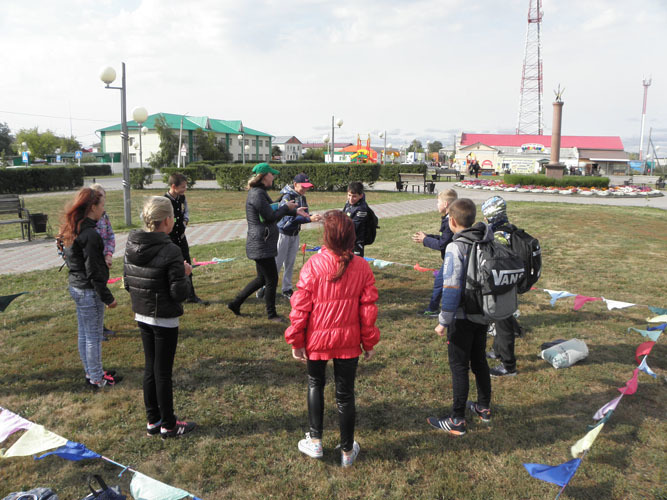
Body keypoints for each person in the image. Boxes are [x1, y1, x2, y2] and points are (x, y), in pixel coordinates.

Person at [285, 210, 380, 467]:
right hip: (346, 342)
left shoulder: (315, 265)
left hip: (318, 341)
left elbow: (299, 309)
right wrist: (368, 342)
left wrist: (298, 341)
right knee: (345, 394)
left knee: (316, 383)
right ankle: (346, 450)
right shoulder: (360, 266)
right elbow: (368, 310)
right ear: (351, 236)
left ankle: (317, 441)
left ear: (326, 236)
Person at [124, 196, 196, 438]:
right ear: (167, 220)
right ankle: (168, 425)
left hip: (142, 313)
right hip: (163, 317)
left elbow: (127, 282)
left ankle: (153, 420)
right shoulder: (170, 250)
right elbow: (179, 293)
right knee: (162, 372)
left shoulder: (132, 243)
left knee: (150, 368)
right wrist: (185, 274)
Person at [427, 198, 492, 436]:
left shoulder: (456, 247)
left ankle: (457, 419)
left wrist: (444, 321)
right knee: (480, 361)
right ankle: (484, 406)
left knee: (459, 366)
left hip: (463, 317)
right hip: (483, 312)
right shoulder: (485, 239)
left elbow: (451, 288)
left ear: (452, 221)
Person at [228, 163, 306, 321]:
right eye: (271, 174)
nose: (273, 177)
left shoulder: (259, 192)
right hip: (261, 243)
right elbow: (270, 216)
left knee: (261, 279)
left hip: (261, 241)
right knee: (271, 279)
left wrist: (291, 209)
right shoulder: (257, 194)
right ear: (263, 177)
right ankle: (271, 314)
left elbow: (270, 209)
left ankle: (235, 303)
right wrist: (286, 208)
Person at [60, 187, 119, 390]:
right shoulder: (90, 236)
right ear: (92, 207)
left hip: (77, 287)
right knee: (93, 336)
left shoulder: (73, 229)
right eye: (101, 205)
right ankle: (96, 379)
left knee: (85, 333)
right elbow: (94, 272)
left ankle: (92, 371)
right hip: (87, 290)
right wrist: (108, 298)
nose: (104, 209)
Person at [258, 173, 322, 300]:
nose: (305, 189)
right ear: (295, 184)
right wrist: (309, 219)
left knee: (290, 262)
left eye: (307, 186)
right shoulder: (287, 197)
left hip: (294, 234)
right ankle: (266, 287)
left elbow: (304, 214)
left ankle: (286, 288)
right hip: (282, 234)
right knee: (276, 263)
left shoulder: (302, 197)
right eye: (302, 186)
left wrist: (311, 216)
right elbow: (288, 219)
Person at [482, 196, 523, 378]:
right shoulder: (508, 229)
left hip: (502, 284)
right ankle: (498, 351)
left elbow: (495, 261)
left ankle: (508, 366)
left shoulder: (499, 236)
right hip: (508, 281)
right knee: (500, 320)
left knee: (504, 323)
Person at [412, 189, 457, 316]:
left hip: (453, 259)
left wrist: (425, 240)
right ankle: (434, 308)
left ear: (446, 204)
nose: (437, 205)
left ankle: (436, 309)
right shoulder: (448, 218)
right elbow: (444, 239)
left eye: (438, 202)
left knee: (444, 284)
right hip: (450, 258)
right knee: (441, 283)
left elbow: (442, 244)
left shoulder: (450, 221)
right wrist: (428, 236)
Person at [165, 173, 208, 305]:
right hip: (170, 240)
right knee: (172, 268)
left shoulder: (182, 198)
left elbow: (186, 212)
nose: (185, 189)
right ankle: (171, 296)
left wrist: (185, 221)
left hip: (181, 238)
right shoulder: (165, 201)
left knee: (187, 265)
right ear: (174, 186)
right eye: (183, 187)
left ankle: (191, 294)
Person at [90, 183, 116, 340]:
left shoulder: (104, 216)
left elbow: (110, 236)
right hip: (92, 262)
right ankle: (95, 330)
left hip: (103, 262)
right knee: (93, 295)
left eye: (103, 196)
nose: (101, 199)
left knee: (100, 295)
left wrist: (108, 254)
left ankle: (100, 326)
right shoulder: (85, 218)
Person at [343, 181, 371, 257]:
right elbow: (343, 216)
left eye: (354, 196)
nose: (351, 198)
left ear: (361, 196)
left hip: (356, 242)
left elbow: (354, 227)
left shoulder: (361, 209)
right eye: (349, 195)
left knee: (356, 263)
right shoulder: (349, 203)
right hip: (347, 239)